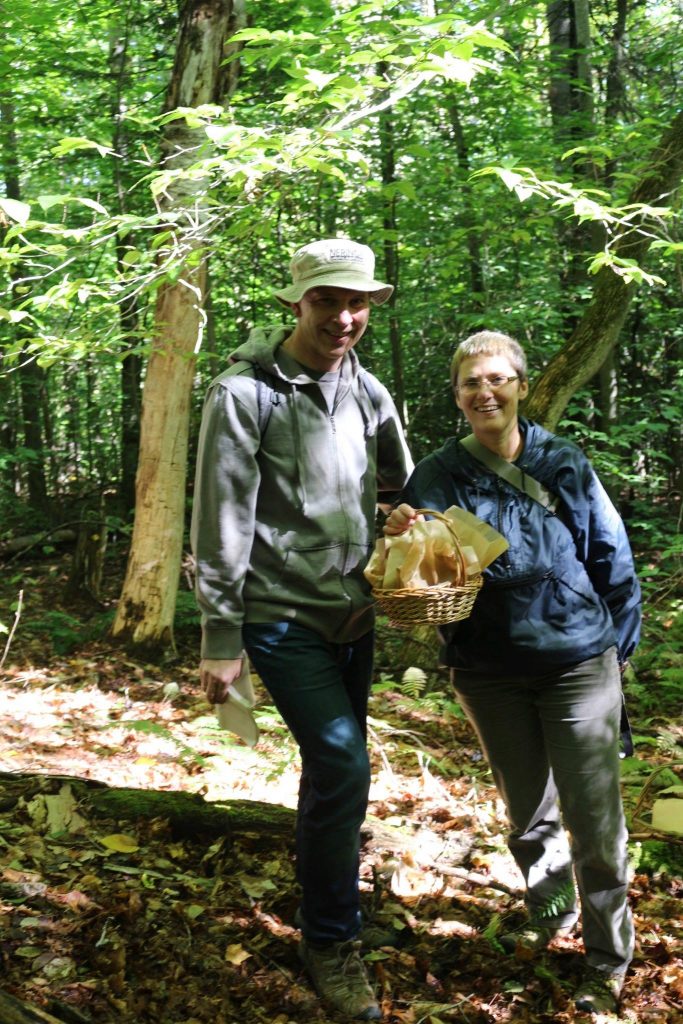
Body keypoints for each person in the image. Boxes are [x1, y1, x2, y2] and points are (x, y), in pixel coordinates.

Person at [385, 330, 640, 1015]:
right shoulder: (438, 472)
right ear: (457, 395)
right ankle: (554, 919)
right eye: (471, 383)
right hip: (488, 669)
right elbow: (417, 566)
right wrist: (399, 529)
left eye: (497, 379)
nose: (484, 392)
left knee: (593, 819)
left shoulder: (561, 462)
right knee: (530, 819)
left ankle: (605, 959)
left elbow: (610, 558)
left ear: (521, 386)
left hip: (576, 663)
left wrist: (617, 655)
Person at [191, 238, 413, 1020]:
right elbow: (219, 519)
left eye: (357, 304)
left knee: (332, 773)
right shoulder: (243, 395)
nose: (344, 318)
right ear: (297, 302)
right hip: (280, 615)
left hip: (355, 614)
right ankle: (328, 940)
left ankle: (331, 906)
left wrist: (399, 522)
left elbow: (396, 483)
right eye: (327, 301)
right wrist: (221, 637)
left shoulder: (369, 391)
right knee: (345, 765)